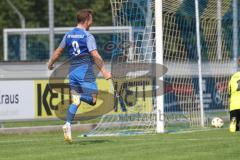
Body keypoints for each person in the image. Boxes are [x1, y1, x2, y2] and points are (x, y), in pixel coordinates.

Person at [48, 9, 111, 142]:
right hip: (85, 72)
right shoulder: (87, 36)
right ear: (87, 19)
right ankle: (79, 97)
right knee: (93, 100)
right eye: (91, 18)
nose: (92, 21)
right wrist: (104, 71)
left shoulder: (68, 35)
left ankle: (67, 124)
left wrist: (51, 63)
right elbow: (95, 55)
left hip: (73, 72)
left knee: (75, 102)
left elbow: (58, 52)